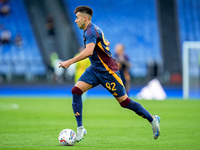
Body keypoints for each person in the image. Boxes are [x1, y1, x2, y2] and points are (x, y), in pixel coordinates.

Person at [59, 6, 161, 142]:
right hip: (95, 69)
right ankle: (80, 129)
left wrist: (70, 62)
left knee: (125, 102)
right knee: (76, 91)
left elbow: (89, 51)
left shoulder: (91, 31)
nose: (75, 20)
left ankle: (153, 119)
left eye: (77, 17)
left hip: (108, 72)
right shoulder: (89, 31)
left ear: (85, 18)